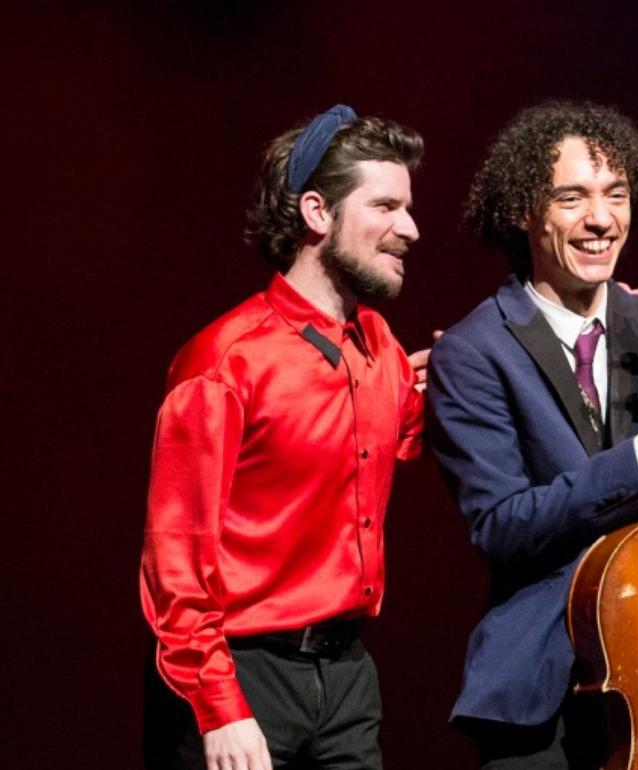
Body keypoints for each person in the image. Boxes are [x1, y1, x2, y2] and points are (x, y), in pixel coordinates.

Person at [427, 100, 638, 769]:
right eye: (572, 197)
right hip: (542, 682)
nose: (602, 220)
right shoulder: (474, 350)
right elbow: (501, 526)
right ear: (522, 210)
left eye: (616, 195)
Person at [140, 104, 426, 770]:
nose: (409, 229)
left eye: (408, 208)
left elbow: (410, 430)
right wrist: (221, 707)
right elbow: (174, 558)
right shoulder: (226, 360)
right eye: (385, 206)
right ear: (318, 213)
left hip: (348, 677)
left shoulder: (379, 346)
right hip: (244, 674)